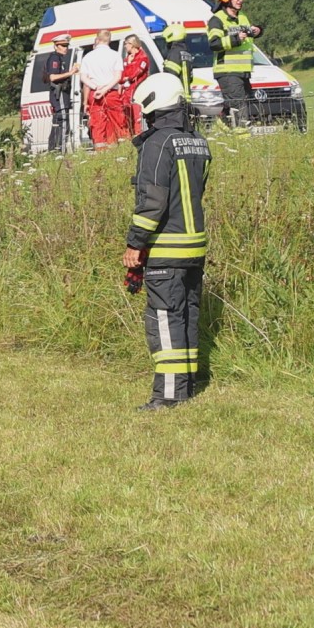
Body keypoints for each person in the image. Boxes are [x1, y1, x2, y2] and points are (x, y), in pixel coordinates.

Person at [123, 73, 211, 411]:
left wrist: (135, 243)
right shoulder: (197, 140)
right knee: (187, 314)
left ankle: (168, 396)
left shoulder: (156, 144)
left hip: (166, 249)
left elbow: (152, 201)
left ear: (152, 104)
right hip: (195, 246)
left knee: (164, 319)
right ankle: (186, 385)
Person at [208, 0, 262, 129]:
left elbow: (247, 38)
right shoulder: (217, 20)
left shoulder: (242, 16)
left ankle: (222, 125)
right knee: (239, 107)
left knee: (243, 104)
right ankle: (242, 137)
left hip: (243, 71)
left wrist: (257, 31)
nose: (240, 0)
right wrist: (235, 39)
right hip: (227, 71)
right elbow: (214, 44)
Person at [78, 30, 126, 149]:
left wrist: (95, 87)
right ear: (109, 40)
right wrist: (106, 89)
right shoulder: (115, 55)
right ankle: (119, 151)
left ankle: (100, 152)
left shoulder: (88, 57)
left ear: (97, 39)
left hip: (95, 93)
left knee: (97, 124)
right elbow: (118, 77)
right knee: (117, 122)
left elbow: (83, 77)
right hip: (111, 93)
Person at [43, 32, 81, 152]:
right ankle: (61, 152)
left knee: (59, 124)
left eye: (67, 45)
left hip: (62, 95)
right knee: (63, 123)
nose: (66, 48)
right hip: (59, 95)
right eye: (63, 45)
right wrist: (71, 72)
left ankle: (55, 151)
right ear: (56, 46)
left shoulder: (60, 58)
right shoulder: (55, 58)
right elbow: (52, 77)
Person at [119, 35, 151, 135]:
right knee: (125, 118)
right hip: (126, 93)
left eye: (126, 44)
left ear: (132, 44)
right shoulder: (126, 60)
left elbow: (133, 75)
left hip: (137, 92)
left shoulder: (142, 58)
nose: (125, 46)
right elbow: (121, 77)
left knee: (137, 118)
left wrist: (129, 65)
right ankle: (127, 138)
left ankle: (138, 136)